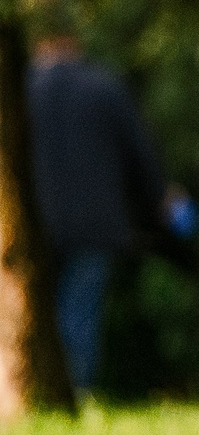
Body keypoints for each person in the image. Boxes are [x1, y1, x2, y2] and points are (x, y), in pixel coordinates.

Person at [26, 24, 168, 396]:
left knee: (32, 313)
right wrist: (160, 203)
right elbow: (141, 159)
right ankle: (76, 393)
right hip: (95, 224)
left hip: (33, 226)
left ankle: (34, 393)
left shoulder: (21, 90)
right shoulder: (104, 88)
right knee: (80, 315)